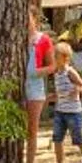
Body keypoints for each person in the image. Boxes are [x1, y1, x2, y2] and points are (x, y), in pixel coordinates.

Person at [47, 39, 82, 163]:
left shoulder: (70, 72)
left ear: (65, 58)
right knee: (57, 138)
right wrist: (52, 97)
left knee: (78, 138)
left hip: (73, 112)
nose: (54, 58)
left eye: (56, 56)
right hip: (60, 111)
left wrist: (78, 89)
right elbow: (60, 93)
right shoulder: (56, 74)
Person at [22, 9, 58, 151]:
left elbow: (53, 65)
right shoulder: (14, 37)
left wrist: (37, 72)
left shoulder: (43, 39)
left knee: (32, 129)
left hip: (34, 87)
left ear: (35, 19)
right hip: (16, 85)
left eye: (27, 18)